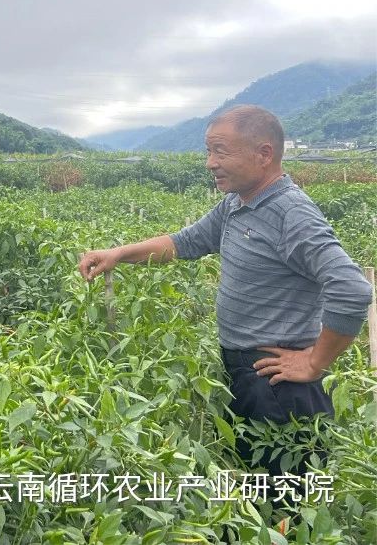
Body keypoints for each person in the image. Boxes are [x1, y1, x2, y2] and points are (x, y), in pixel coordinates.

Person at [78, 105, 371, 480]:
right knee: (253, 488)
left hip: (279, 385)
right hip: (246, 372)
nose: (210, 163)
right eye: (208, 151)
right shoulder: (237, 203)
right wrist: (118, 254)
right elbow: (184, 242)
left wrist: (316, 362)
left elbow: (351, 288)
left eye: (220, 151)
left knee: (286, 499)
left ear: (263, 154)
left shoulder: (290, 212)